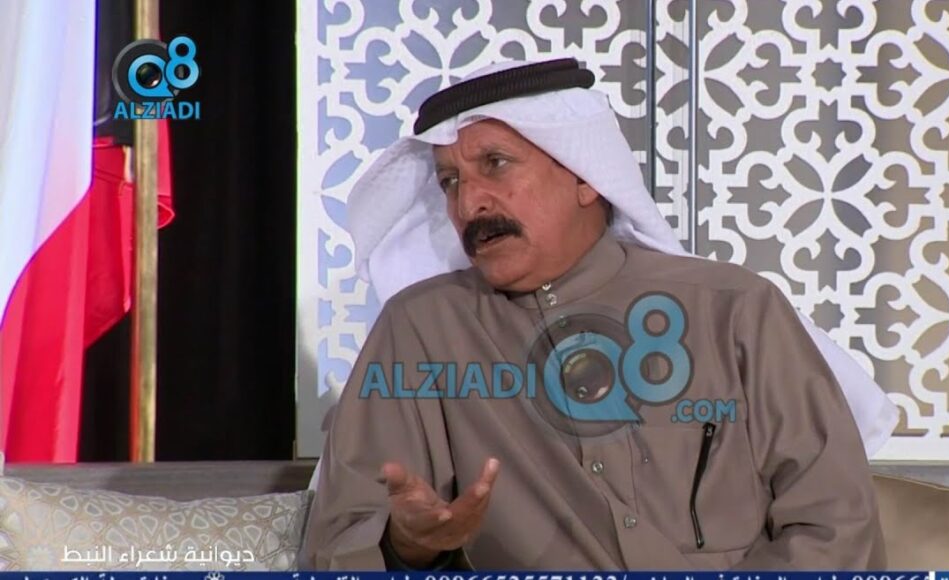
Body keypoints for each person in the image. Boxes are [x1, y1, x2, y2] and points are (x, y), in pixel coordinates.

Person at [301, 58, 894, 571]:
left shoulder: (735, 311)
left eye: (496, 165)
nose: (469, 202)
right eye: (450, 181)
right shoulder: (422, 331)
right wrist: (408, 545)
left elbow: (835, 526)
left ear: (586, 176)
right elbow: (340, 540)